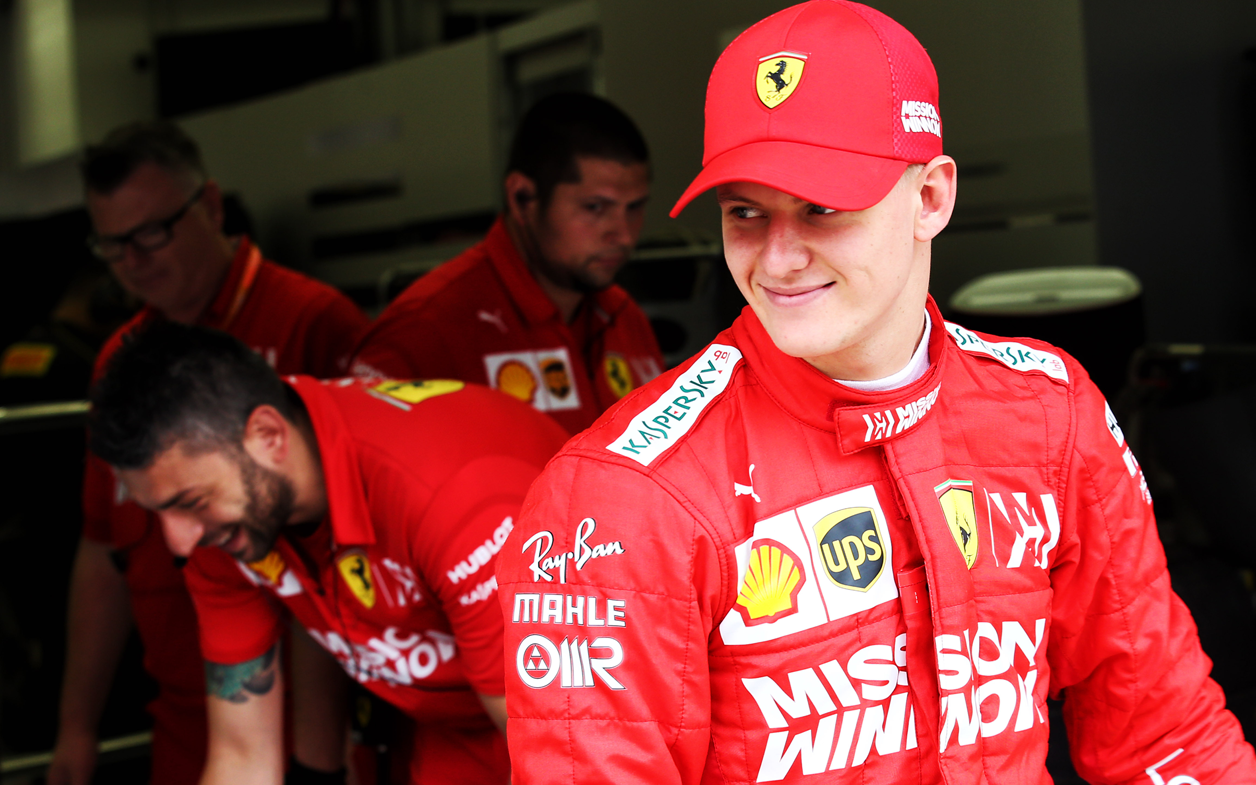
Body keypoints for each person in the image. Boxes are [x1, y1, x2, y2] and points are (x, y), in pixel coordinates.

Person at [496, 2, 1256, 783]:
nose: (780, 259)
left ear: (931, 197)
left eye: (822, 208)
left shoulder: (1049, 412)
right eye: (746, 213)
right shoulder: (623, 494)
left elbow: (1165, 734)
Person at [86, 322, 569, 785]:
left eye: (188, 503)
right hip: (459, 731)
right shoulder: (226, 520)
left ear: (268, 436)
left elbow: (558, 754)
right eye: (159, 513)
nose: (178, 542)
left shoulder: (450, 498)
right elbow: (242, 756)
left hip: (579, 722)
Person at [50, 121, 370, 785]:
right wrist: (75, 728)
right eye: (112, 245)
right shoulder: (122, 364)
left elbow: (362, 550)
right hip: (186, 717)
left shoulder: (314, 323)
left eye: (149, 233)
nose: (132, 260)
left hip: (316, 729)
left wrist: (325, 761)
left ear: (212, 207)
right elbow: (103, 549)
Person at [350, 92, 665, 435]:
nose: (622, 234)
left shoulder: (626, 319)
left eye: (634, 207)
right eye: (595, 208)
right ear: (522, 198)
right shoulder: (426, 332)